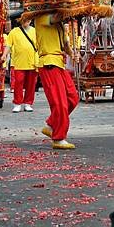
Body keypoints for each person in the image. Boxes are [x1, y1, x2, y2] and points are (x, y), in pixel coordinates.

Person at [35, 13, 79, 149]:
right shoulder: (41, 17)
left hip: (59, 63)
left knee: (73, 98)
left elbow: (65, 45)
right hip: (49, 63)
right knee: (60, 103)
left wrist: (72, 54)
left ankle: (51, 125)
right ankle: (58, 138)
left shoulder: (60, 25)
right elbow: (56, 17)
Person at [1, 18, 39, 113]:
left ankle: (28, 103)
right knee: (18, 83)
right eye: (24, 20)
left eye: (27, 20)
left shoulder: (35, 31)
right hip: (18, 62)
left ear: (30, 21)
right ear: (20, 21)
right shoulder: (14, 32)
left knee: (31, 84)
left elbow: (40, 45)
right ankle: (17, 103)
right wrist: (4, 54)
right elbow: (8, 45)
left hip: (33, 61)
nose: (26, 21)